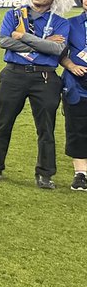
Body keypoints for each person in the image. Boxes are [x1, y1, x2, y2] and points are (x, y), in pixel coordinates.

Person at [0, 0, 71, 189]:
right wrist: (43, 44)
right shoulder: (13, 14)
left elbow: (58, 50)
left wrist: (22, 37)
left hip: (45, 78)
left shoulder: (60, 22)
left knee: (46, 128)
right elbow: (5, 41)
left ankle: (45, 174)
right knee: (2, 123)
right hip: (14, 75)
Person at [59, 10, 87, 192]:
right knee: (77, 128)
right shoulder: (71, 23)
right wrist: (71, 66)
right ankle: (81, 174)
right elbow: (59, 52)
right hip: (77, 84)